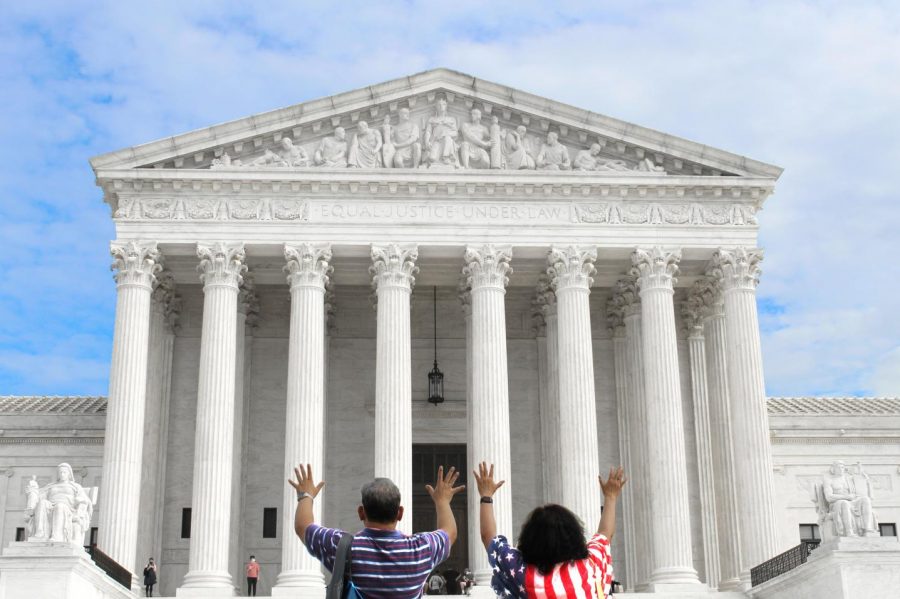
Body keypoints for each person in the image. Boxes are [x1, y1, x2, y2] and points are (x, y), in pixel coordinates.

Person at [290, 463, 465, 599]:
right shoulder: (421, 549)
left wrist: (306, 495)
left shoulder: (342, 546)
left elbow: (303, 526)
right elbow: (449, 532)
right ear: (400, 513)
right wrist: (442, 501)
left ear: (361, 512)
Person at [474, 462, 626, 598]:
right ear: (574, 536)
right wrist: (610, 497)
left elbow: (488, 536)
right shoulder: (591, 565)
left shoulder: (521, 571)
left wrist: (486, 496)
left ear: (529, 539)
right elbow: (606, 533)